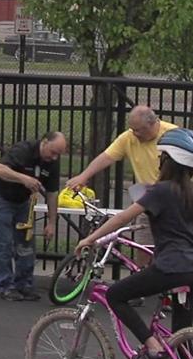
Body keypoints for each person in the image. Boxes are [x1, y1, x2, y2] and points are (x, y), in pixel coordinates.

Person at [74, 128, 193, 359]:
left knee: (115, 295)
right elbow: (178, 217)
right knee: (182, 335)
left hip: (169, 267)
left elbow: (124, 216)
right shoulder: (191, 191)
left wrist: (91, 239)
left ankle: (152, 348)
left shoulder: (160, 191)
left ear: (169, 161)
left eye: (162, 156)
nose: (159, 160)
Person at [67, 105, 178, 267]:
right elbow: (106, 157)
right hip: (148, 199)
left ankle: (173, 285)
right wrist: (84, 176)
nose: (135, 133)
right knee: (144, 246)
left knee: (171, 249)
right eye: (132, 129)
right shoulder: (129, 138)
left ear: (153, 124)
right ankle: (142, 282)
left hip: (173, 200)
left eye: (138, 130)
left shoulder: (172, 135)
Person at [0, 131, 67, 301]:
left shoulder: (52, 163)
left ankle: (24, 284)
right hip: (2, 197)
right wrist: (23, 178)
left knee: (25, 244)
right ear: (44, 142)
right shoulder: (23, 150)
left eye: (58, 155)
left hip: (23, 202)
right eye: (53, 152)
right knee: (4, 242)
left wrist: (52, 222)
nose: (54, 158)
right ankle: (6, 285)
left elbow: (52, 193)